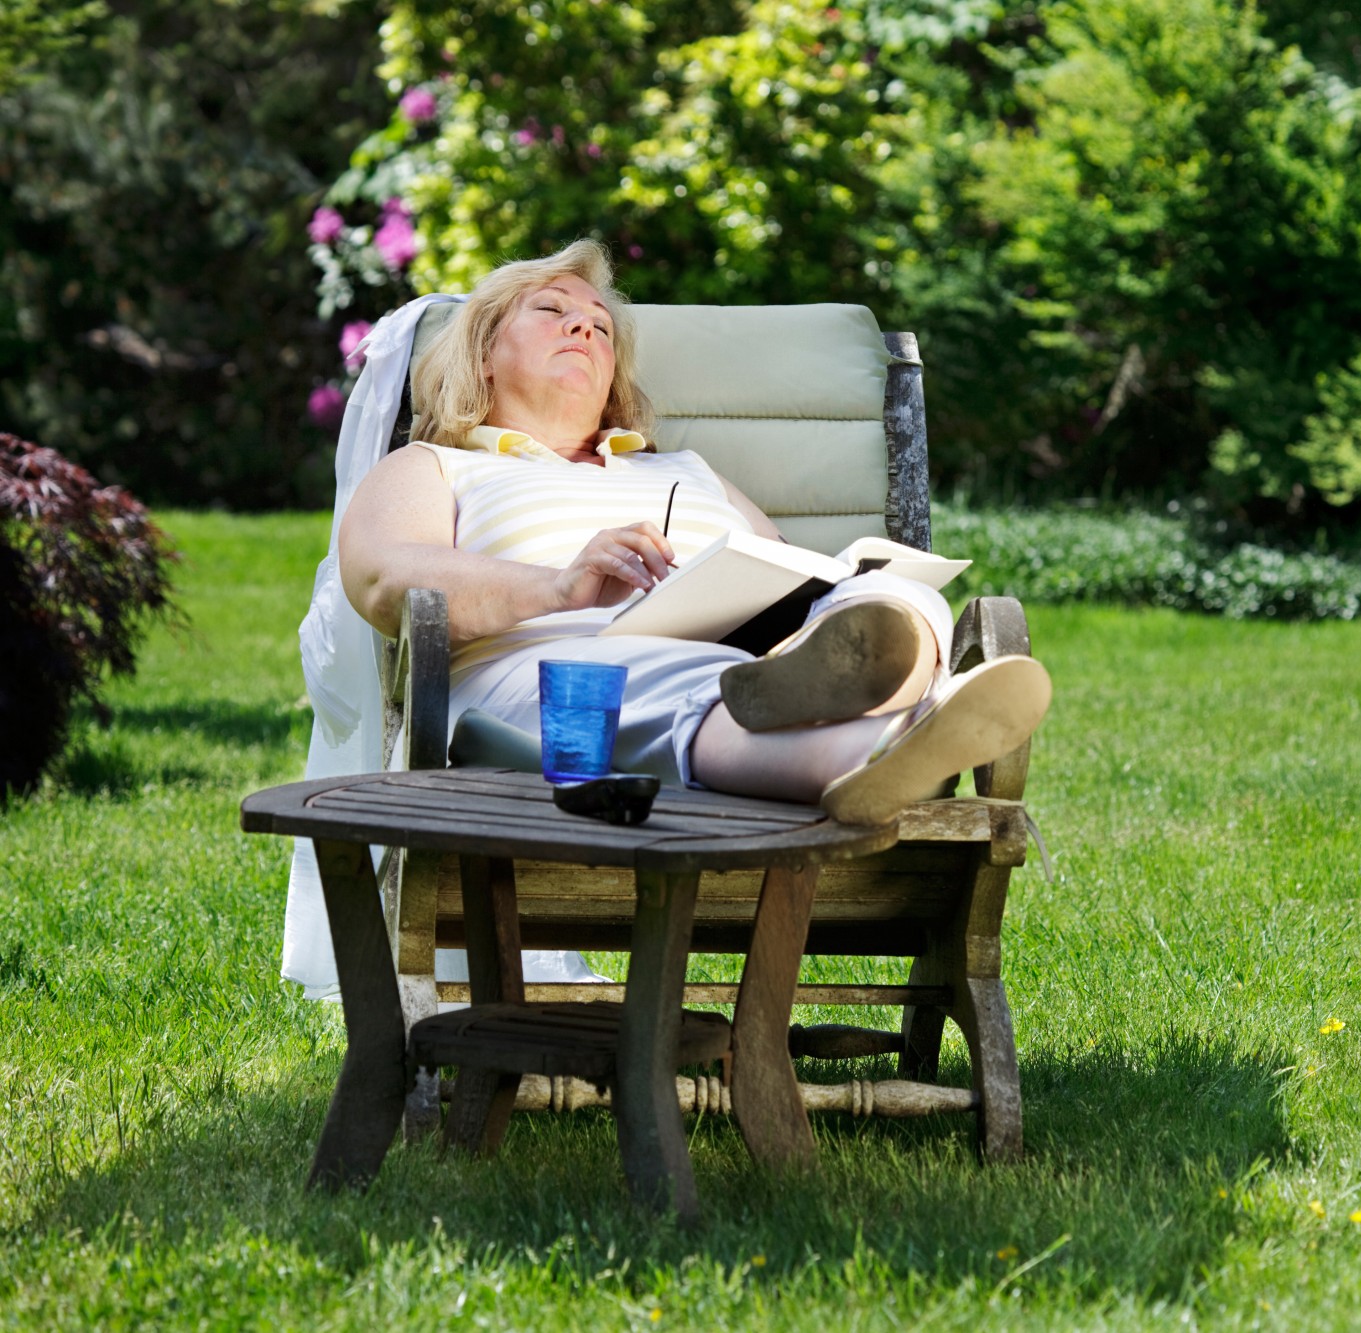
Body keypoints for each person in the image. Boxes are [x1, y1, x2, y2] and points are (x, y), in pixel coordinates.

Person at [281, 239, 1047, 997]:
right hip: (561, 677)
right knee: (660, 678)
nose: (583, 328)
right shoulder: (439, 466)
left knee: (894, 591)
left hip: (740, 658)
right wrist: (561, 586)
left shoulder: (682, 470)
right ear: (481, 353)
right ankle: (903, 732)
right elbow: (384, 575)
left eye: (600, 327)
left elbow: (787, 570)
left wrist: (822, 601)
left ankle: (871, 696)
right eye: (551, 311)